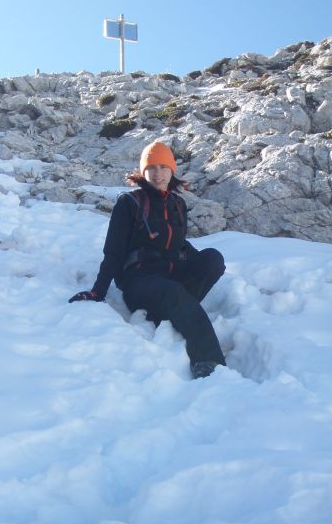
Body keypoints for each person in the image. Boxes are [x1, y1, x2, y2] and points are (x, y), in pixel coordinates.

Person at [69, 140, 227, 379]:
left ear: (172, 170)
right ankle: (208, 362)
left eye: (164, 167)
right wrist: (97, 291)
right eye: (152, 167)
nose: (158, 173)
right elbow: (113, 252)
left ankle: (179, 311)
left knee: (213, 259)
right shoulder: (129, 203)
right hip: (139, 281)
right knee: (173, 292)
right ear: (143, 172)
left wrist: (201, 265)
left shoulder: (178, 204)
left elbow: (180, 244)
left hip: (170, 278)